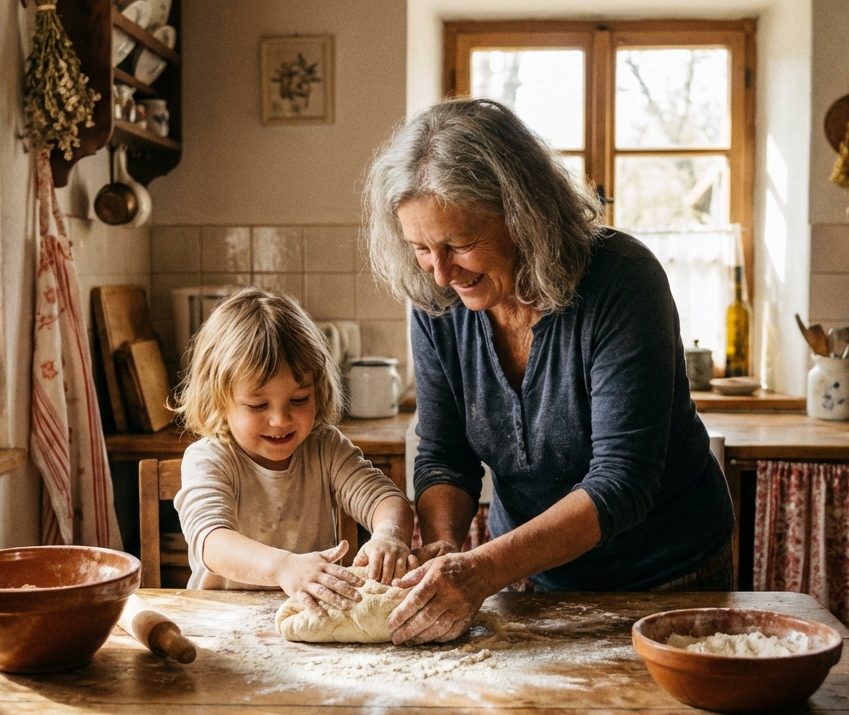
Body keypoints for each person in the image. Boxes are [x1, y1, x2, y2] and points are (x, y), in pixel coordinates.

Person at [362, 99, 734, 645]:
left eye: (460, 245)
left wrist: (481, 570)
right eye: (421, 248)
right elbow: (445, 455)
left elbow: (622, 480)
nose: (441, 272)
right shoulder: (435, 301)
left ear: (523, 215)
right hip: (528, 576)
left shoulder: (622, 281)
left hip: (668, 575)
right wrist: (445, 543)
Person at [174, 287, 417, 613]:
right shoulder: (211, 459)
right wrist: (283, 567)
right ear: (218, 400)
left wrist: (389, 535)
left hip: (312, 615)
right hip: (223, 622)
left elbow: (386, 500)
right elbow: (212, 540)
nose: (280, 419)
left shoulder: (325, 449)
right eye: (258, 405)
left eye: (299, 400)